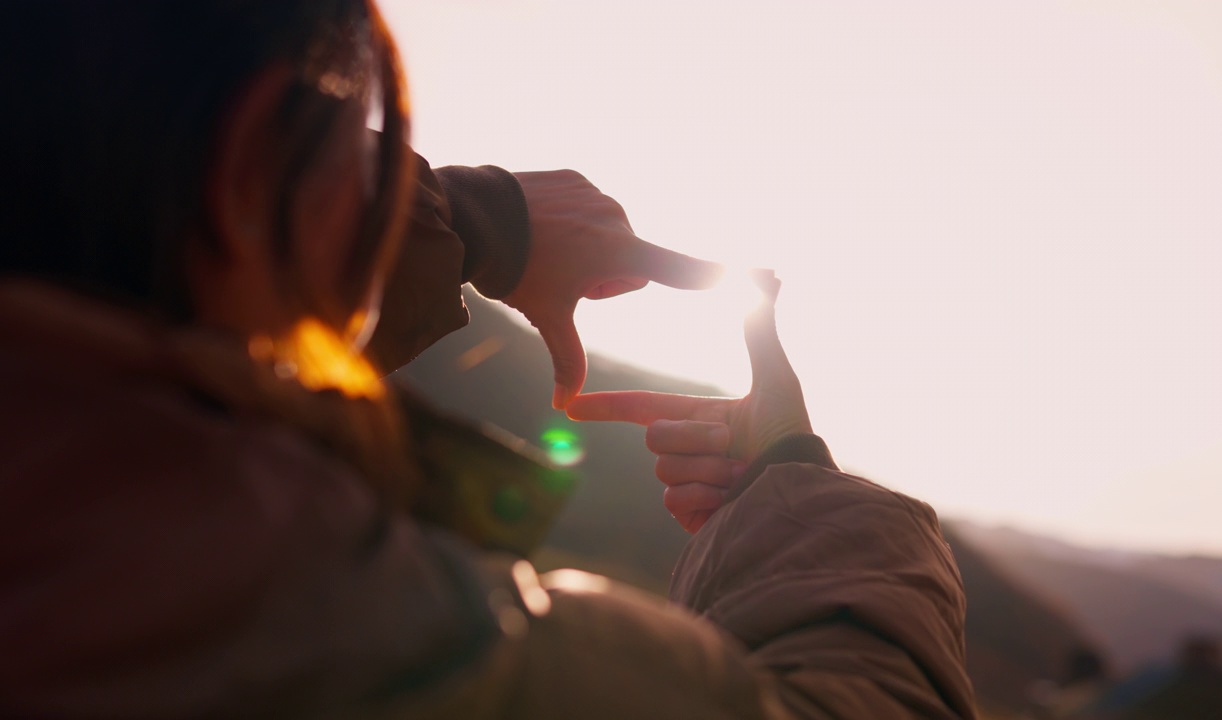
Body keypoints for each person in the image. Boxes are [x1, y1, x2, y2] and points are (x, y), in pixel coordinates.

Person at [0, 2, 976, 718]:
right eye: (361, 135)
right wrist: (792, 487)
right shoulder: (307, 619)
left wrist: (476, 224)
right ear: (249, 159)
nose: (386, 175)